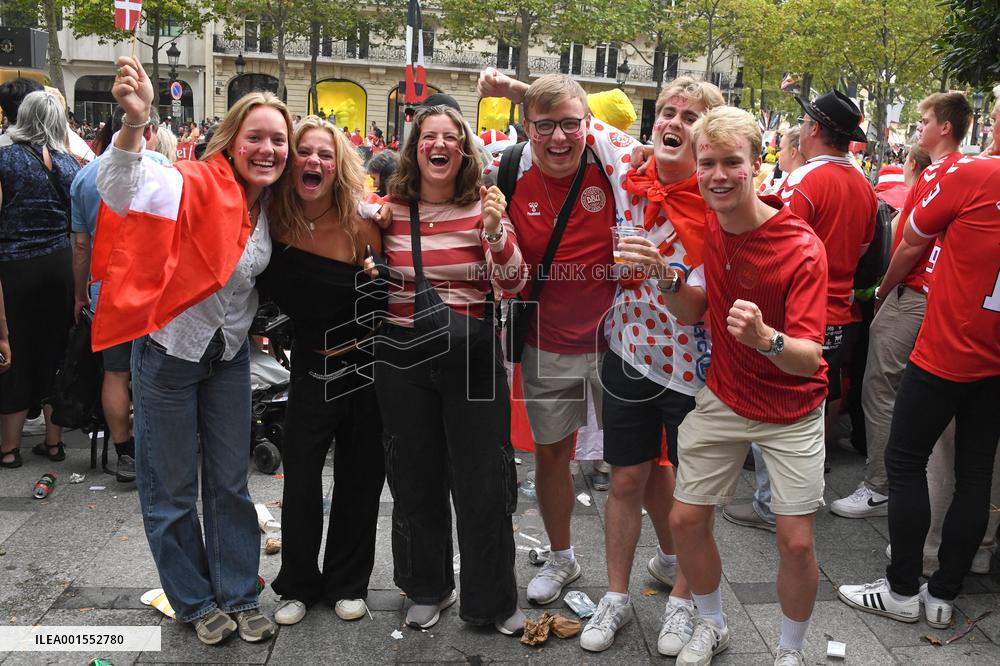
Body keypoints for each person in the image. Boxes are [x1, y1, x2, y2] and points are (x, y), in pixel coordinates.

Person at [94, 55, 288, 645]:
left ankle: (239, 593)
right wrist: (136, 121)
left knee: (230, 484)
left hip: (227, 357)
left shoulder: (275, 206)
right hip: (169, 355)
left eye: (278, 140)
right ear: (232, 140)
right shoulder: (192, 182)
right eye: (256, 137)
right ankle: (195, 601)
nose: (268, 150)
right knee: (171, 487)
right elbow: (119, 188)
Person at [665, 107, 829, 666]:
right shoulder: (710, 218)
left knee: (796, 541)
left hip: (792, 406)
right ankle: (712, 623)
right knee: (685, 520)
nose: (717, 175)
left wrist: (765, 339)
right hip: (726, 395)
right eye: (707, 162)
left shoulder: (800, 246)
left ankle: (790, 650)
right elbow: (692, 310)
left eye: (731, 162)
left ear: (756, 164)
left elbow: (810, 359)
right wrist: (664, 279)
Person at [362, 103, 527, 635]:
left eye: (451, 137)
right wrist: (368, 256)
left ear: (464, 150)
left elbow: (513, 283)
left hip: (472, 358)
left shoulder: (486, 205)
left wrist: (495, 232)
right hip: (402, 357)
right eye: (428, 137)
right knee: (414, 478)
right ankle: (426, 587)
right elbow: (355, 245)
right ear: (415, 150)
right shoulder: (388, 209)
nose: (439, 145)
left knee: (484, 481)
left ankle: (491, 600)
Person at [576, 77, 725, 654]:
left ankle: (685, 604)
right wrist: (509, 86)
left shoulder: (719, 197)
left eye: (689, 116)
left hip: (698, 368)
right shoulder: (628, 170)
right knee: (625, 479)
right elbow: (580, 117)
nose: (673, 122)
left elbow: (700, 305)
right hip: (630, 352)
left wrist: (663, 273)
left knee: (692, 495)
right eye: (667, 112)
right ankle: (616, 596)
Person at [838, 153, 1000, 629]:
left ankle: (902, 589)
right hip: (994, 360)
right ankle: (944, 592)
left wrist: (882, 292)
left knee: (905, 461)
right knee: (975, 474)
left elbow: (912, 238)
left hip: (945, 349)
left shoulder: (975, 173)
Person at [475, 71, 618, 609]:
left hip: (621, 342)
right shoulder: (510, 172)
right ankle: (562, 558)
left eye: (570, 125)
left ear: (589, 124)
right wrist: (495, 235)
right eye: (544, 126)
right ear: (527, 128)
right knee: (552, 455)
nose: (558, 138)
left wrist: (516, 87)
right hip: (547, 341)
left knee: (640, 462)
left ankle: (674, 561)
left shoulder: (612, 164)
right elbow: (509, 276)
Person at [725, 90, 876, 531]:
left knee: (772, 400)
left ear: (813, 129)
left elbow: (774, 241)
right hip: (839, 311)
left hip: (795, 310)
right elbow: (864, 249)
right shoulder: (863, 183)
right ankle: (798, 494)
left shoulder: (806, 179)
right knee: (814, 402)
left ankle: (771, 504)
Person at [258, 116, 386, 627]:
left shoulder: (361, 223)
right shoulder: (272, 220)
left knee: (360, 477)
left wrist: (379, 280)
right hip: (311, 367)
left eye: (326, 154)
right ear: (292, 163)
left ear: (338, 166)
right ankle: (297, 584)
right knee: (302, 479)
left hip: (365, 367)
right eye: (305, 152)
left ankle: (348, 583)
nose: (315, 161)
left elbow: (392, 292)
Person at [830, 93, 971, 520]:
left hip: (915, 294)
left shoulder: (940, 173)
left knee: (881, 388)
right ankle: (908, 489)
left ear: (945, 127)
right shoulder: (965, 172)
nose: (919, 127)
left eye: (925, 120)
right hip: (941, 299)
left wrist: (882, 289)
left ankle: (881, 486)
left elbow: (909, 243)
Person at [70, 107, 167, 482]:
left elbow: (81, 245)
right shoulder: (161, 165)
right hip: (153, 286)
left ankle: (125, 452)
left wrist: (81, 294)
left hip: (106, 288)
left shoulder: (84, 176)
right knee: (155, 370)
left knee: (115, 371)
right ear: (149, 131)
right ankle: (155, 447)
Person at [0, 90, 79, 469]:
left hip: (15, 267)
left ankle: (9, 448)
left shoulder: (5, 160)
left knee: (14, 351)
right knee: (56, 350)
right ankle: (54, 443)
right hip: (59, 265)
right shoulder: (69, 165)